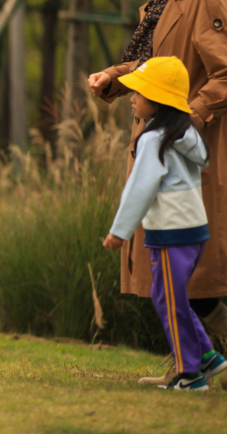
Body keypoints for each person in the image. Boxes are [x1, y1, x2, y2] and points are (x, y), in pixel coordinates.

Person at [88, 0, 227, 385]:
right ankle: (200, 361)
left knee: (192, 271)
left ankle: (198, 364)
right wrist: (114, 75)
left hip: (188, 149)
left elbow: (225, 72)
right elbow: (152, 63)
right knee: (176, 269)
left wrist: (190, 115)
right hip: (163, 140)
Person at [102, 56, 227, 391]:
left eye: (139, 93)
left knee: (170, 300)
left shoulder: (153, 140)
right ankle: (207, 357)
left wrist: (120, 231)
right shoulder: (184, 133)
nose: (132, 98)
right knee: (167, 296)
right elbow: (201, 161)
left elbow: (139, 188)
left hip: (174, 233)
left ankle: (190, 376)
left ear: (156, 100)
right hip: (190, 231)